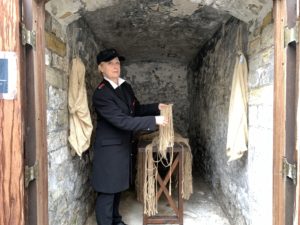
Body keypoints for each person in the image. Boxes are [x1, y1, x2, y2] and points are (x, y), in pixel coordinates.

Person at [92, 48, 167, 225]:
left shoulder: (125, 87)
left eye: (117, 62)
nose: (115, 66)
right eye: (110, 63)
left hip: (123, 146)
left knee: (117, 187)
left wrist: (157, 107)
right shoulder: (101, 94)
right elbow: (123, 121)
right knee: (107, 191)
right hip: (109, 150)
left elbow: (136, 110)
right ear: (101, 68)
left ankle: (116, 220)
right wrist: (155, 120)